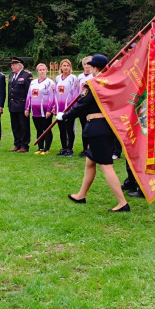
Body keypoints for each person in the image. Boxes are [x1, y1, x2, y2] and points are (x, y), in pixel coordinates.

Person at [57, 54, 130, 212]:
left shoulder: (94, 84)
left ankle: (122, 203)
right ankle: (81, 195)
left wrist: (64, 116)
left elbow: (81, 105)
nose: (88, 68)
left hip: (98, 128)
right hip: (105, 126)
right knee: (90, 162)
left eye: (91, 65)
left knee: (106, 166)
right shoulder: (110, 83)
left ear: (96, 68)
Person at [25, 63, 56, 154]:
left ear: (46, 70)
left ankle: (47, 148)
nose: (42, 71)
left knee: (46, 129)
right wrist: (27, 108)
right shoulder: (33, 82)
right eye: (40, 70)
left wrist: (49, 110)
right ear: (37, 71)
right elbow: (29, 96)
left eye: (43, 69)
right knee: (38, 129)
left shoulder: (50, 82)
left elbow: (52, 97)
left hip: (45, 111)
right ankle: (40, 148)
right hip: (35, 111)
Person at [7, 57, 33, 153]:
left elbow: (28, 92)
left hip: (22, 104)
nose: (12, 66)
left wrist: (28, 106)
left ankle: (24, 145)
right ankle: (17, 144)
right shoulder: (11, 75)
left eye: (14, 65)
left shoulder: (26, 75)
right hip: (13, 104)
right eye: (12, 65)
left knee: (24, 125)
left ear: (19, 65)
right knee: (15, 125)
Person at [55, 59, 79, 156]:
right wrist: (54, 107)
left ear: (70, 67)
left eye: (67, 65)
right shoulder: (57, 78)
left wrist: (73, 108)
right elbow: (55, 94)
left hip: (69, 109)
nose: (66, 67)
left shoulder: (73, 78)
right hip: (59, 109)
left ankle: (70, 148)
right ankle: (64, 147)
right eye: (64, 65)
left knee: (69, 129)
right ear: (61, 67)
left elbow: (75, 94)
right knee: (62, 129)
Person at [76, 56, 93, 157]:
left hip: (90, 106)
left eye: (88, 63)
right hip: (82, 105)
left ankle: (92, 148)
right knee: (84, 128)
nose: (86, 66)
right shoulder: (80, 77)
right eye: (85, 64)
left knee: (91, 128)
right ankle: (85, 148)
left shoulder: (94, 76)